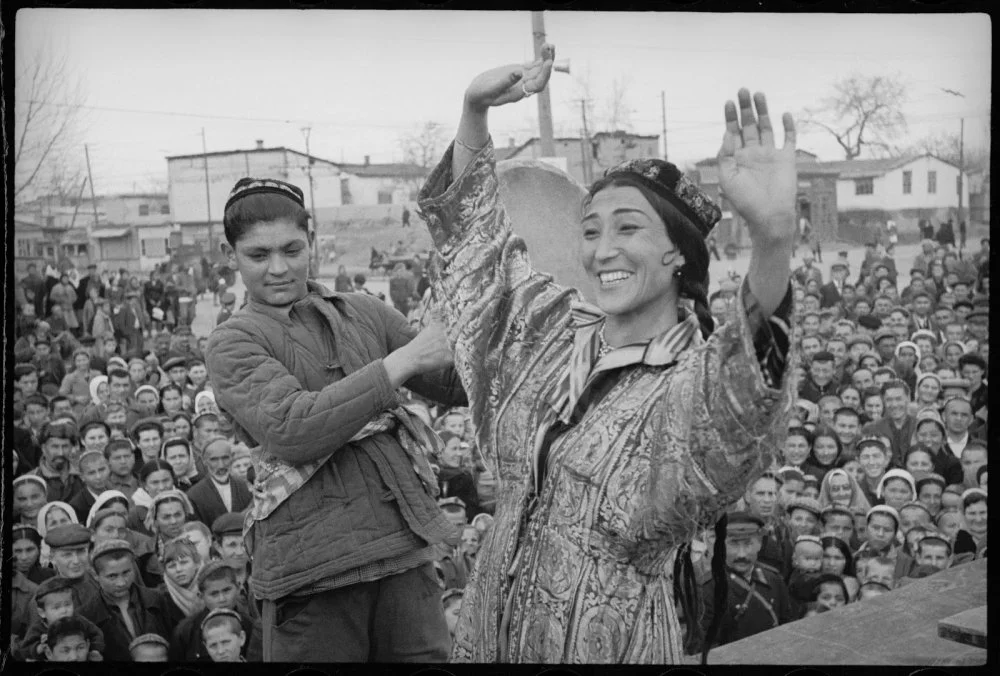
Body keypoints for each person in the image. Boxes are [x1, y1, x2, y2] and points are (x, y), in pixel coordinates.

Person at [419, 46, 798, 663]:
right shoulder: (548, 334)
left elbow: (744, 393)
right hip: (486, 641)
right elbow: (482, 253)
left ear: (678, 254)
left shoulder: (685, 385)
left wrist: (773, 241)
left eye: (628, 228)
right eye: (591, 229)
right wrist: (474, 114)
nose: (602, 250)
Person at [205, 176, 468, 663]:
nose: (279, 268)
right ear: (230, 255)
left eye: (292, 249)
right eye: (258, 256)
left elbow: (455, 386)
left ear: (312, 241)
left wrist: (480, 325)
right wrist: (402, 363)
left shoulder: (365, 312)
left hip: (404, 554)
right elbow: (294, 428)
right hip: (312, 573)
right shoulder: (232, 341)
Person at [698, 513, 795, 650]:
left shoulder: (774, 579)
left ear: (759, 544)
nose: (742, 554)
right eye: (733, 544)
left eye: (748, 544)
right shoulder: (708, 589)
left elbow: (788, 628)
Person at [79, 539, 174, 661]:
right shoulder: (87, 615)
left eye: (126, 573)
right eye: (112, 576)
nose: (121, 582)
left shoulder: (156, 600)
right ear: (95, 575)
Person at [16, 576, 106, 662]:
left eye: (67, 604)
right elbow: (24, 649)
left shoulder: (79, 621)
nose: (64, 611)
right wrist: (38, 648)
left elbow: (96, 634)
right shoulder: (37, 629)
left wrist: (94, 650)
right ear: (42, 612)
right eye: (56, 607)